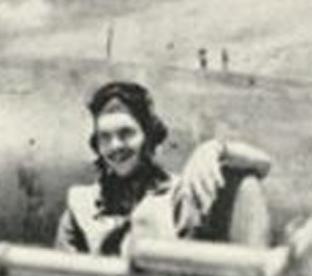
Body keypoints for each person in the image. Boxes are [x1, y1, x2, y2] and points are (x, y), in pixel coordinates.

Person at [55, 81, 271, 256]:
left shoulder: (182, 194)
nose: (115, 146)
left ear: (148, 136)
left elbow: (262, 166)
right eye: (105, 137)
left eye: (126, 134)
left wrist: (217, 149)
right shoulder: (81, 204)